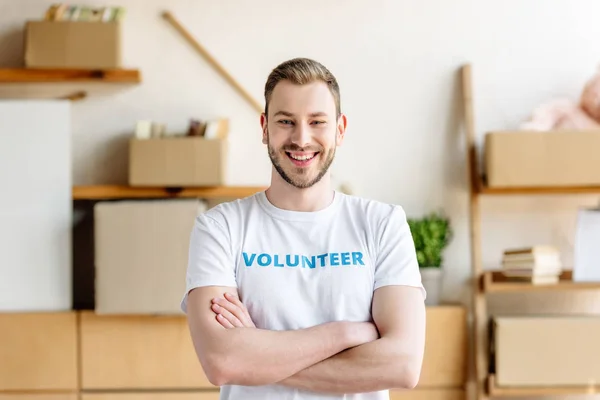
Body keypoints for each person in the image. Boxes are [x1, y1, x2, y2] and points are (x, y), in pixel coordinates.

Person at [181, 57, 427, 400]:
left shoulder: (382, 224)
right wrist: (345, 334)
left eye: (317, 122)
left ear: (340, 129)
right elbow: (222, 361)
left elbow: (402, 364)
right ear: (265, 127)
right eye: (286, 121)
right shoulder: (220, 228)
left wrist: (259, 356)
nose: (301, 138)